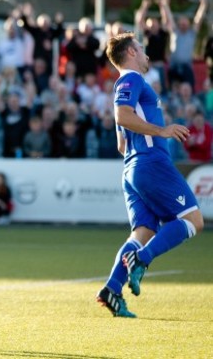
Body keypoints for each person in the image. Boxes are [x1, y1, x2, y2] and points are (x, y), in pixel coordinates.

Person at [96, 32, 204, 318]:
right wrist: (161, 131)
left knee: (144, 231)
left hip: (131, 167)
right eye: (142, 48)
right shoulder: (132, 79)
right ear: (130, 52)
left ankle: (112, 288)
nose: (146, 53)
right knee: (193, 220)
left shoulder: (124, 85)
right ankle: (141, 260)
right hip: (149, 162)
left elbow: (121, 143)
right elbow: (122, 117)